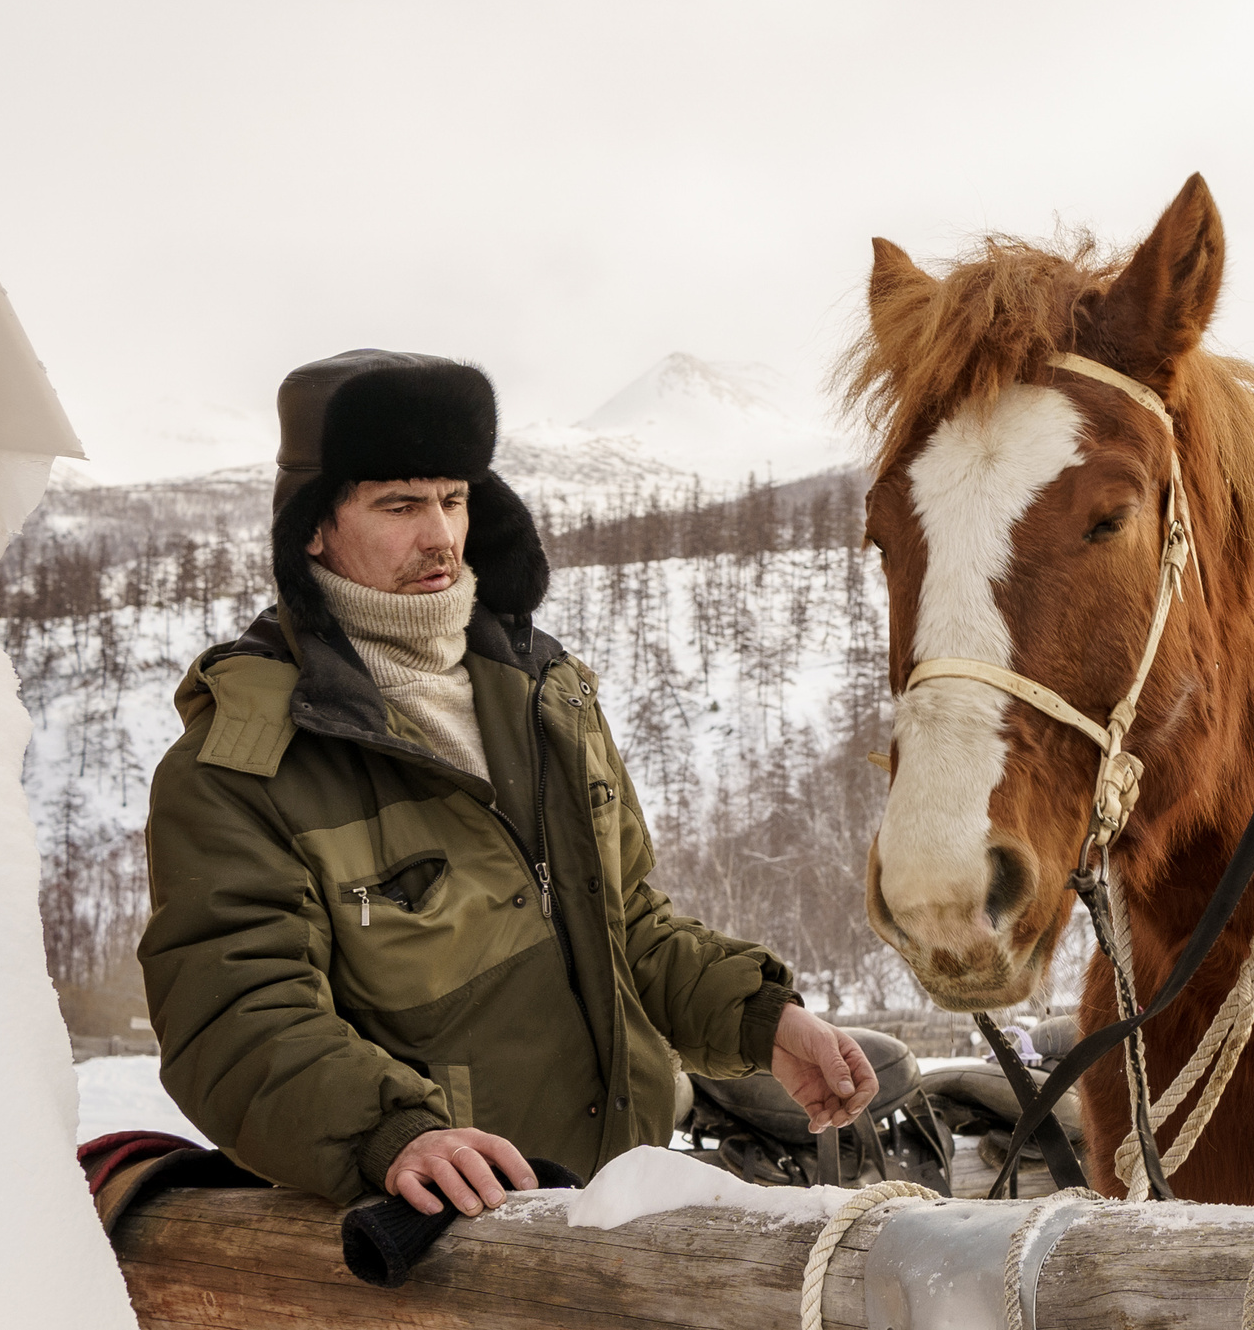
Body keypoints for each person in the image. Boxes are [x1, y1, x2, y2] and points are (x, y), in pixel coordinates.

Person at [141, 351, 876, 1216]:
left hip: (617, 1202)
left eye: (453, 497)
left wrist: (760, 1020)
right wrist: (392, 1132)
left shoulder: (546, 694)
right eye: (400, 504)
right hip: (449, 1244)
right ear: (313, 526)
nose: (441, 536)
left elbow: (626, 921)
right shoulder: (244, 764)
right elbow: (238, 1020)